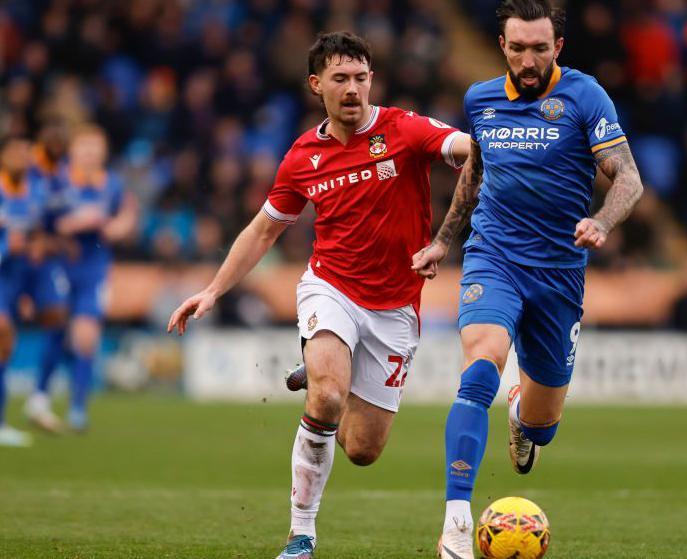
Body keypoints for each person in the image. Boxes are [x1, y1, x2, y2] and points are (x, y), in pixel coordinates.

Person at [166, 31, 470, 559]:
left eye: (360, 78)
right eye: (340, 79)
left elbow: (466, 148)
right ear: (316, 85)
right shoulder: (303, 156)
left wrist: (482, 148)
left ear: (371, 80)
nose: (352, 89)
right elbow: (263, 229)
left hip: (396, 307)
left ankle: (331, 363)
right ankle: (301, 533)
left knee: (362, 450)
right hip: (331, 287)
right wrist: (213, 290)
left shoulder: (404, 129)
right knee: (327, 398)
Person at [408, 2, 645, 557]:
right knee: (480, 361)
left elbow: (630, 178)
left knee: (543, 424)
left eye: (540, 48)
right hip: (494, 257)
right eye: (518, 48)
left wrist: (602, 220)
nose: (529, 59)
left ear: (557, 47)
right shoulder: (481, 100)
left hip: (559, 274)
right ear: (502, 45)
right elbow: (477, 171)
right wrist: (445, 239)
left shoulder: (585, 97)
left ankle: (522, 416)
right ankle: (457, 522)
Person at [50, 125, 138, 432]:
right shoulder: (57, 180)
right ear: (72, 150)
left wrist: (116, 227)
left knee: (86, 336)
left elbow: (128, 215)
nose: (89, 153)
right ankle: (41, 394)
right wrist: (73, 223)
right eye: (84, 146)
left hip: (94, 269)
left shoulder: (111, 184)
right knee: (58, 330)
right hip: (58, 265)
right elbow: (43, 221)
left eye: (95, 146)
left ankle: (77, 408)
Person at [0, 136, 69, 446]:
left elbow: (41, 229)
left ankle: (39, 395)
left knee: (57, 315)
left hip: (27, 270)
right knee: (2, 334)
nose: (22, 158)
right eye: (15, 152)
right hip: (4, 271)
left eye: (26, 152)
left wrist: (41, 242)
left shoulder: (37, 190)